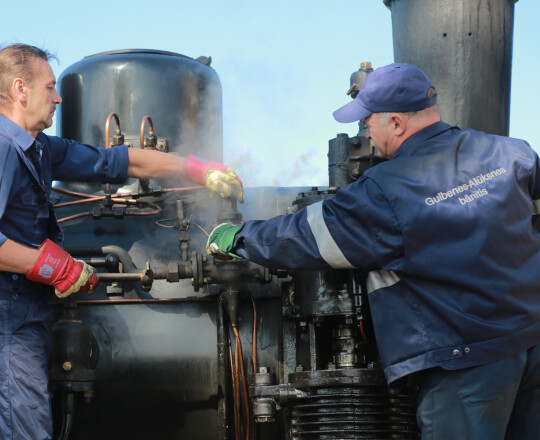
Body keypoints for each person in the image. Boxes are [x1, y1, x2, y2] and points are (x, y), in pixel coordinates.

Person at [207, 63, 540, 439]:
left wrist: (238, 237)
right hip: (531, 344)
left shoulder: (388, 189)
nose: (364, 131)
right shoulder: (512, 153)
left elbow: (306, 236)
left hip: (465, 366)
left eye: (367, 121)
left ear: (396, 123)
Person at [0, 43, 243, 440]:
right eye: (50, 87)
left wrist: (195, 167)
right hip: (3, 320)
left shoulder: (38, 151)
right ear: (20, 89)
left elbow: (118, 162)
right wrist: (55, 266)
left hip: (2, 316)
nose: (58, 97)